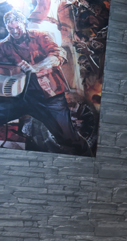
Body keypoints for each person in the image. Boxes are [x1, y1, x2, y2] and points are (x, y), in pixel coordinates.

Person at [0, 9, 90, 155]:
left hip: (50, 95)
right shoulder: (3, 45)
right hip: (19, 97)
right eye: (11, 29)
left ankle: (85, 155)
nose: (15, 32)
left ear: (24, 23)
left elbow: (58, 55)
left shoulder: (41, 36)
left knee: (68, 138)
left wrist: (36, 68)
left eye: (17, 28)